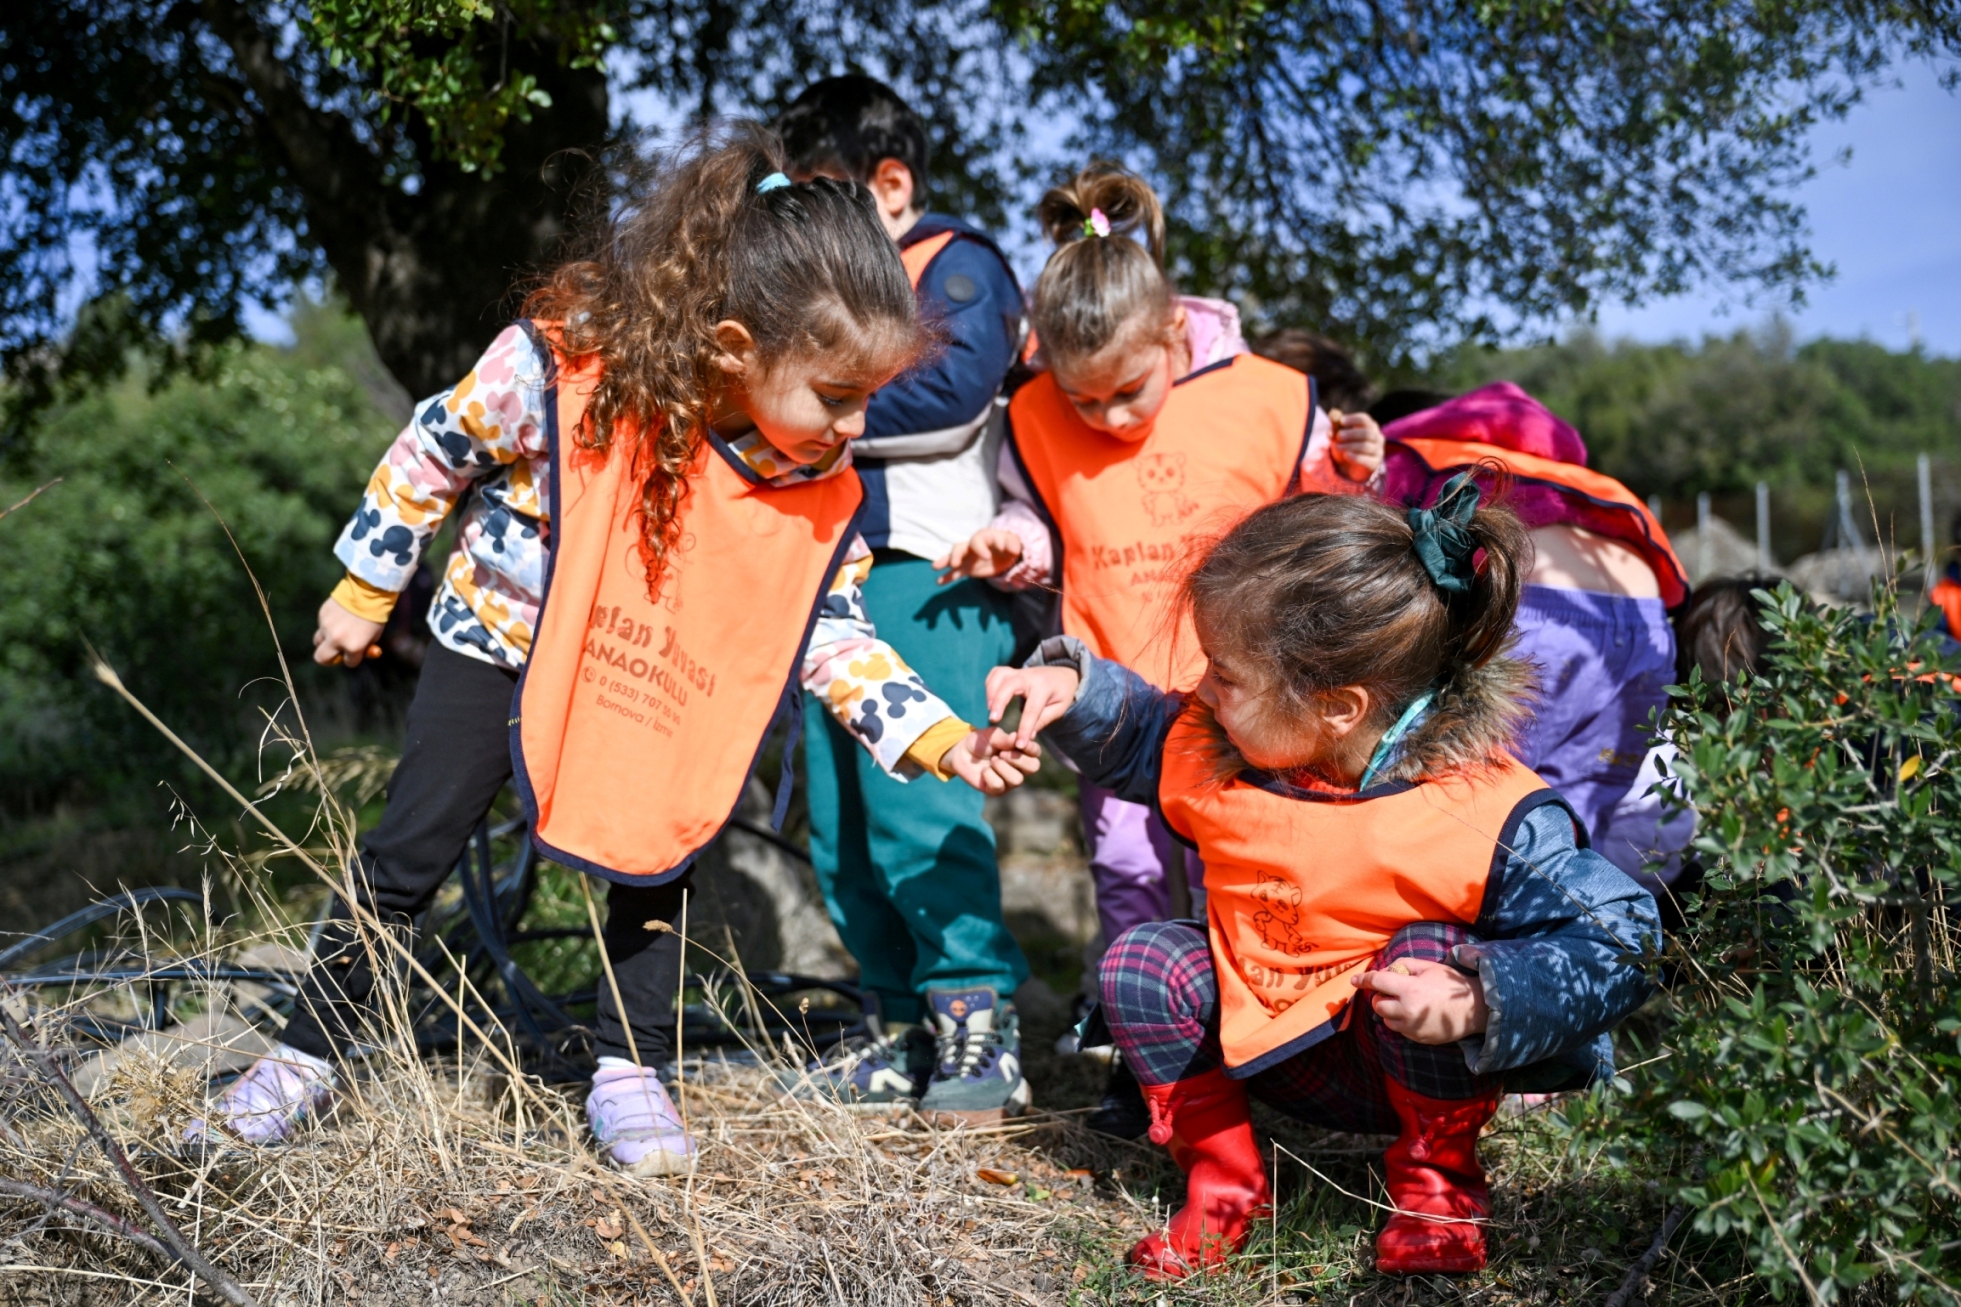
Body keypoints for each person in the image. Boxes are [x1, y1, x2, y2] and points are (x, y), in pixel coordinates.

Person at [183, 125, 1039, 1169]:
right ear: (732, 346)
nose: (855, 427)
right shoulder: (565, 360)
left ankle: (630, 1068)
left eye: (868, 397)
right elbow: (435, 446)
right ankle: (302, 1055)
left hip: (644, 672)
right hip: (498, 637)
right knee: (409, 848)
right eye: (835, 396)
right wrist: (369, 582)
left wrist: (942, 739)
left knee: (656, 852)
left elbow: (830, 632)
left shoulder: (815, 488)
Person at [984, 482, 1658, 1278]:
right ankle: (1225, 1188)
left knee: (1431, 949)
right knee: (1141, 963)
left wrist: (1481, 997)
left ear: (1336, 707)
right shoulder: (1235, 748)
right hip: (1275, 1052)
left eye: (1226, 676)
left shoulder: (1486, 811)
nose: (1202, 690)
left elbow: (1623, 934)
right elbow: (1145, 732)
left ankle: (1435, 1190)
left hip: (1420, 1055)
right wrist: (1071, 690)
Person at [937, 163, 1387, 1135]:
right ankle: (1151, 1067)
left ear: (1175, 334)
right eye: (1080, 400)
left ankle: (1289, 1044)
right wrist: (1010, 543)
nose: (1104, 418)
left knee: (1256, 871)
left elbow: (1321, 521)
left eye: (1126, 391)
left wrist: (1355, 467)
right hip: (1115, 701)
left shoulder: (1266, 398)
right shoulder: (1033, 417)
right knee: (1127, 871)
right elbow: (1042, 516)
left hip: (1248, 708)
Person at [770, 76, 1034, 1121]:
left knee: (918, 806)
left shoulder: (955, 263)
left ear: (888, 183)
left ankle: (977, 1019)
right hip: (816, 581)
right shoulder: (816, 282)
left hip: (925, 570)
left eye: (823, 192)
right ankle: (894, 1024)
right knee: (836, 823)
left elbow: (952, 390)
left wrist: (801, 404)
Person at [1378, 382, 1691, 882]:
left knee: (1467, 805)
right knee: (1586, 808)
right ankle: (1588, 942)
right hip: (1642, 615)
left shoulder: (1416, 458)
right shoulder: (1582, 481)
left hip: (1531, 608)